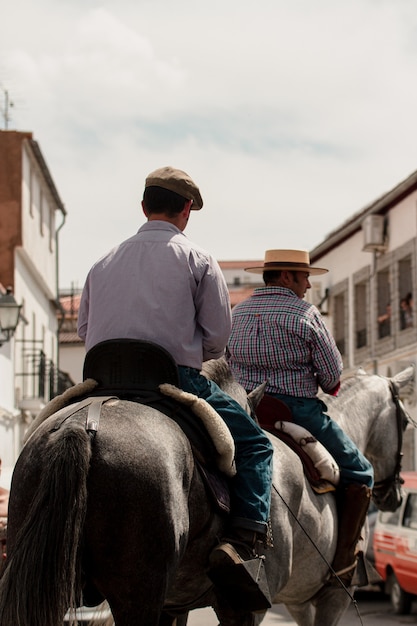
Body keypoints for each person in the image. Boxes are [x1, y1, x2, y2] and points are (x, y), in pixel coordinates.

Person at [77, 166, 274, 609]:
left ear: (143, 207)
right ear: (186, 210)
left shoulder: (101, 260)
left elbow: (85, 328)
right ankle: (242, 542)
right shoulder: (199, 259)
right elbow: (218, 339)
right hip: (171, 379)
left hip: (100, 383)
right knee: (257, 445)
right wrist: (184, 347)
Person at [226, 249, 374, 588]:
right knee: (362, 472)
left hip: (244, 409)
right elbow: (332, 376)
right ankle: (343, 564)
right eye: (304, 276)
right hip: (296, 410)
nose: (308, 284)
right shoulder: (305, 313)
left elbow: (224, 359)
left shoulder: (238, 312)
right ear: (286, 276)